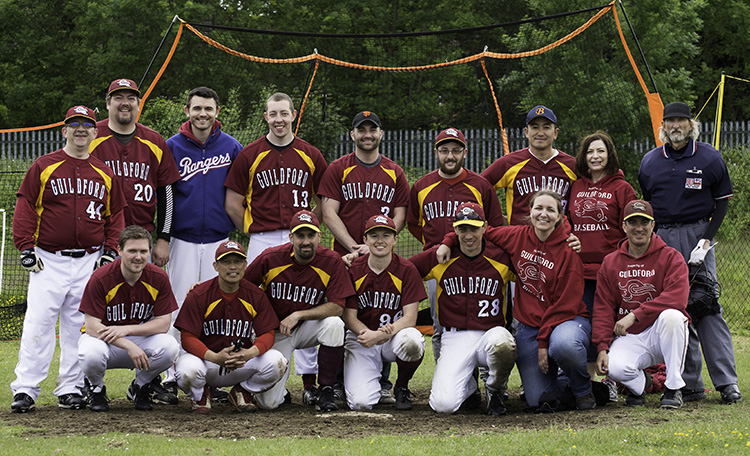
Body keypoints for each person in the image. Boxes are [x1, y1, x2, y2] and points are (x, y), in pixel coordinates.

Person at [10, 105, 126, 413]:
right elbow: (25, 207)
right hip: (48, 259)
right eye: (74, 124)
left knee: (79, 325)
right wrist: (25, 247)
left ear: (95, 131)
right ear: (64, 131)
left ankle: (70, 387)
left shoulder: (105, 172)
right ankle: (26, 388)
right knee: (38, 324)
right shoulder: (44, 165)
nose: (80, 129)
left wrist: (111, 250)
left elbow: (115, 217)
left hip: (89, 259)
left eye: (86, 125)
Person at [437, 191, 594, 411]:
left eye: (550, 210)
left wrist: (543, 343)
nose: (543, 214)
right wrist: (448, 241)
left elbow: (565, 306)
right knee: (537, 399)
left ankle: (583, 389)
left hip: (565, 320)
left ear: (560, 216)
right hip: (530, 327)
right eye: (539, 208)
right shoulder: (516, 236)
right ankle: (565, 384)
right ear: (530, 211)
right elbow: (477, 229)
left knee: (563, 344)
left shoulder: (568, 249)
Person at [224, 93, 328, 400]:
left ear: (293, 115)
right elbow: (233, 202)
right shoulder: (250, 154)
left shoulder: (311, 154)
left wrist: (312, 225)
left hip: (302, 235)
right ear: (266, 117)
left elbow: (323, 199)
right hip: (264, 237)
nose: (279, 119)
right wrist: (252, 229)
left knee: (308, 300)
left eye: (284, 113)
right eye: (273, 114)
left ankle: (309, 383)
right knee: (256, 302)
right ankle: (257, 371)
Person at [638, 101, 741, 404]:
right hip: (664, 237)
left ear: (691, 125)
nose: (676, 126)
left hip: (698, 234)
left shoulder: (709, 157)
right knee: (675, 308)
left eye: (681, 121)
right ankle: (690, 383)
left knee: (705, 304)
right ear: (663, 127)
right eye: (670, 121)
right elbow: (648, 203)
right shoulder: (650, 162)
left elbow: (722, 201)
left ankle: (727, 382)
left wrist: (707, 239)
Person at [318, 110, 410, 404]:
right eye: (362, 130)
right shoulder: (338, 168)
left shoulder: (394, 171)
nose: (367, 135)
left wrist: (375, 246)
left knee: (381, 307)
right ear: (353, 134)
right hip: (345, 257)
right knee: (339, 316)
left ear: (381, 134)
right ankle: (335, 382)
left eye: (373, 130)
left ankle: (382, 381)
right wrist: (353, 247)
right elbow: (328, 212)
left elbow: (400, 215)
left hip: (380, 254)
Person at [162, 87, 242, 401]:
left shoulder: (231, 146)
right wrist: (163, 237)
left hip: (219, 239)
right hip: (182, 239)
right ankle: (170, 375)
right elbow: (165, 195)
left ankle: (211, 377)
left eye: (208, 108)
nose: (202, 114)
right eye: (197, 108)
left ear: (217, 111)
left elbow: (240, 194)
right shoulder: (172, 146)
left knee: (216, 309)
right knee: (176, 308)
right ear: (187, 111)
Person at [407, 127, 505, 361]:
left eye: (455, 150)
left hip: (478, 264)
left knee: (482, 324)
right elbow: (414, 224)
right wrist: (435, 247)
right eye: (444, 150)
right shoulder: (421, 186)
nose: (450, 156)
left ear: (465, 152)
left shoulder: (480, 185)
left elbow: (494, 225)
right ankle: (446, 371)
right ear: (436, 153)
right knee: (440, 326)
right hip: (438, 265)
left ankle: (487, 377)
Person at [410, 203, 516, 415]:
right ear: (455, 229)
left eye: (474, 228)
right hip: (455, 336)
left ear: (485, 227)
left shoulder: (501, 256)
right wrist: (366, 259)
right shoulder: (441, 255)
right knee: (443, 405)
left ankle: (495, 390)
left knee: (504, 344)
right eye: (463, 229)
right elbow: (404, 270)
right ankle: (468, 387)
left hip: (491, 334)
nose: (468, 235)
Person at [243, 210, 355, 411]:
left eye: (310, 235)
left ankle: (326, 389)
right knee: (269, 404)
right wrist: (207, 287)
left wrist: (299, 315)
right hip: (277, 332)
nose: (306, 241)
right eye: (300, 236)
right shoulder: (271, 257)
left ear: (319, 237)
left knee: (334, 324)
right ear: (291, 237)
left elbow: (337, 306)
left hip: (306, 327)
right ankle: (280, 393)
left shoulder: (331, 261)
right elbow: (242, 287)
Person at [592, 200, 689, 409]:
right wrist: (602, 348)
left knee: (673, 316)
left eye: (644, 222)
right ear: (624, 226)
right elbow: (603, 308)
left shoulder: (671, 257)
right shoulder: (611, 262)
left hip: (661, 333)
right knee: (614, 368)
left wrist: (635, 314)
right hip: (631, 336)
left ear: (653, 225)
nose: (639, 228)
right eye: (632, 222)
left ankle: (673, 388)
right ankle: (641, 384)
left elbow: (677, 298)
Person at [174, 240, 288, 414]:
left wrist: (249, 353)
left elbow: (268, 334)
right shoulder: (199, 294)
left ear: (245, 265)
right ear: (215, 266)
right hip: (207, 361)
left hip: (242, 362)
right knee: (186, 370)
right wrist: (214, 357)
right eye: (226, 262)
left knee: (277, 361)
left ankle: (243, 392)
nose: (233, 267)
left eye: (238, 261)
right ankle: (200, 395)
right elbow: (187, 338)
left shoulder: (255, 295)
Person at [77, 226, 180, 412]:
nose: (138, 257)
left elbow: (164, 323)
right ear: (119, 250)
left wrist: (127, 330)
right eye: (132, 251)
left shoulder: (158, 277)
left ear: (149, 252)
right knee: (91, 353)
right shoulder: (101, 278)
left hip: (139, 339)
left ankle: (140, 386)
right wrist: (127, 344)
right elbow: (91, 326)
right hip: (105, 341)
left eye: (143, 251)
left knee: (170, 347)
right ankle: (96, 388)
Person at [89, 78, 180, 267]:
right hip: (98, 239)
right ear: (107, 104)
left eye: (131, 98)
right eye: (118, 98)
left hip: (141, 238)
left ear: (138, 105)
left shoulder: (154, 141)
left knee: (142, 286)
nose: (125, 103)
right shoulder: (92, 137)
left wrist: (164, 238)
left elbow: (167, 192)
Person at [341, 215, 427, 411]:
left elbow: (410, 317)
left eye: (386, 235)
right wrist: (369, 335)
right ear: (365, 240)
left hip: (394, 336)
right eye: (374, 236)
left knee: (412, 341)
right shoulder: (354, 269)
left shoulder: (407, 269)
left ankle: (402, 386)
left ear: (395, 239)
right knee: (361, 403)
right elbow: (349, 317)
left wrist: (380, 335)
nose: (380, 241)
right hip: (361, 337)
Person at [569, 131, 636, 377]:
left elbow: (631, 230)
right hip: (581, 270)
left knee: (609, 323)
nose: (595, 156)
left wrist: (622, 262)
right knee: (586, 322)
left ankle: (613, 377)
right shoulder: (576, 186)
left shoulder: (622, 188)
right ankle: (590, 381)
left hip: (610, 271)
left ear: (609, 155)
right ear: (583, 157)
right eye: (590, 152)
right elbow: (566, 221)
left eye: (600, 151)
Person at [482, 105, 577, 225]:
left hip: (559, 235)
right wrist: (496, 219)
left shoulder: (571, 166)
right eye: (535, 127)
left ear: (555, 133)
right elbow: (477, 187)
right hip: (519, 235)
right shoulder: (510, 163)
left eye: (546, 127)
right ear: (526, 132)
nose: (540, 133)